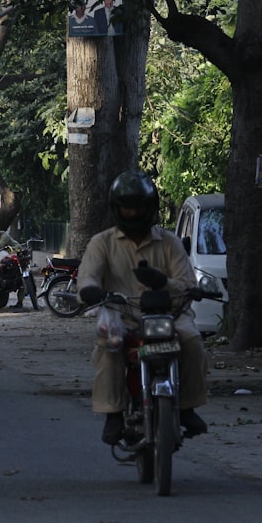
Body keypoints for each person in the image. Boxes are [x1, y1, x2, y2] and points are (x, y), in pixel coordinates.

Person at [77, 170, 209, 445]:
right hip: (123, 316)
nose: (133, 212)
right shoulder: (101, 243)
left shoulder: (170, 242)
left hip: (169, 314)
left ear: (150, 208)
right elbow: (88, 277)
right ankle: (112, 413)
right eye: (127, 206)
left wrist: (164, 282)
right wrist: (91, 291)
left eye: (138, 206)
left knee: (192, 339)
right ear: (117, 208)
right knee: (109, 346)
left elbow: (187, 282)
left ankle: (187, 407)